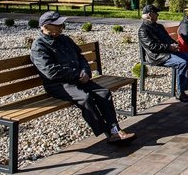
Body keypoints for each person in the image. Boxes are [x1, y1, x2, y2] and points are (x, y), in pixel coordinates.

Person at [30, 11, 136, 145]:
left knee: (104, 93)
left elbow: (81, 57)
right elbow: (50, 71)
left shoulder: (65, 39)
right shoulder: (39, 46)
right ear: (45, 26)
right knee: (85, 98)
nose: (61, 26)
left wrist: (86, 72)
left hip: (78, 79)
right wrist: (76, 74)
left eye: (62, 24)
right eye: (57, 25)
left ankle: (115, 130)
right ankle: (109, 133)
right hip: (58, 85)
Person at [138, 4, 188, 102]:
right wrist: (169, 47)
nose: (158, 15)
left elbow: (168, 39)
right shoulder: (143, 30)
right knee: (182, 63)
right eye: (156, 13)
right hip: (158, 56)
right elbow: (152, 47)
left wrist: (174, 44)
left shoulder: (159, 26)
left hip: (169, 51)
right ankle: (181, 93)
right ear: (150, 15)